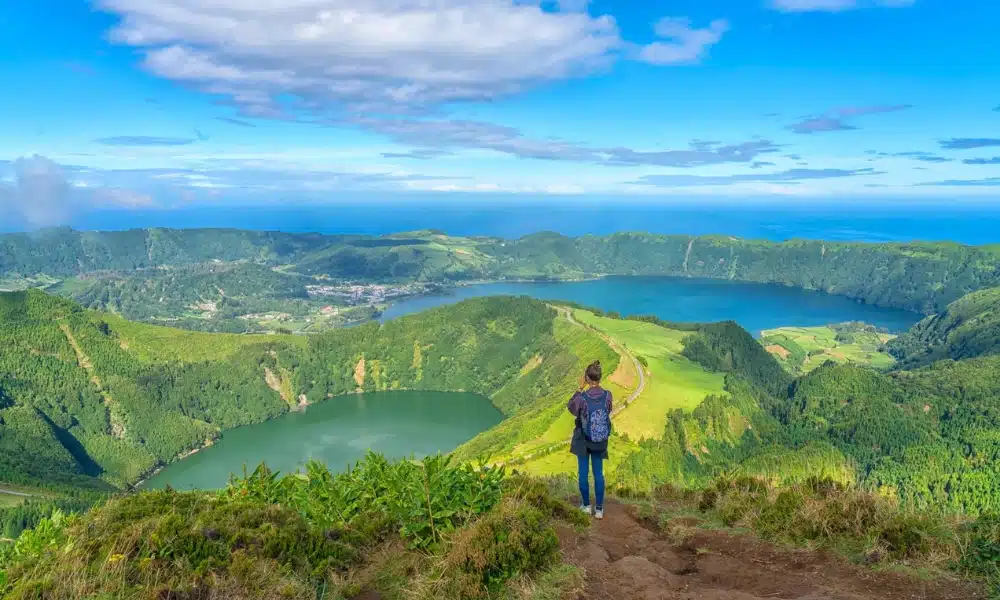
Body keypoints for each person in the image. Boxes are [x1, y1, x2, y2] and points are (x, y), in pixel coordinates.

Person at [567, 360, 612, 519]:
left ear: (587, 378)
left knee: (583, 473)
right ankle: (599, 509)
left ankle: (586, 506)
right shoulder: (608, 395)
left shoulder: (582, 398)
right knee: (598, 473)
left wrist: (579, 388)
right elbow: (608, 410)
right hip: (600, 440)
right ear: (600, 377)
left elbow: (571, 407)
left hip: (583, 440)